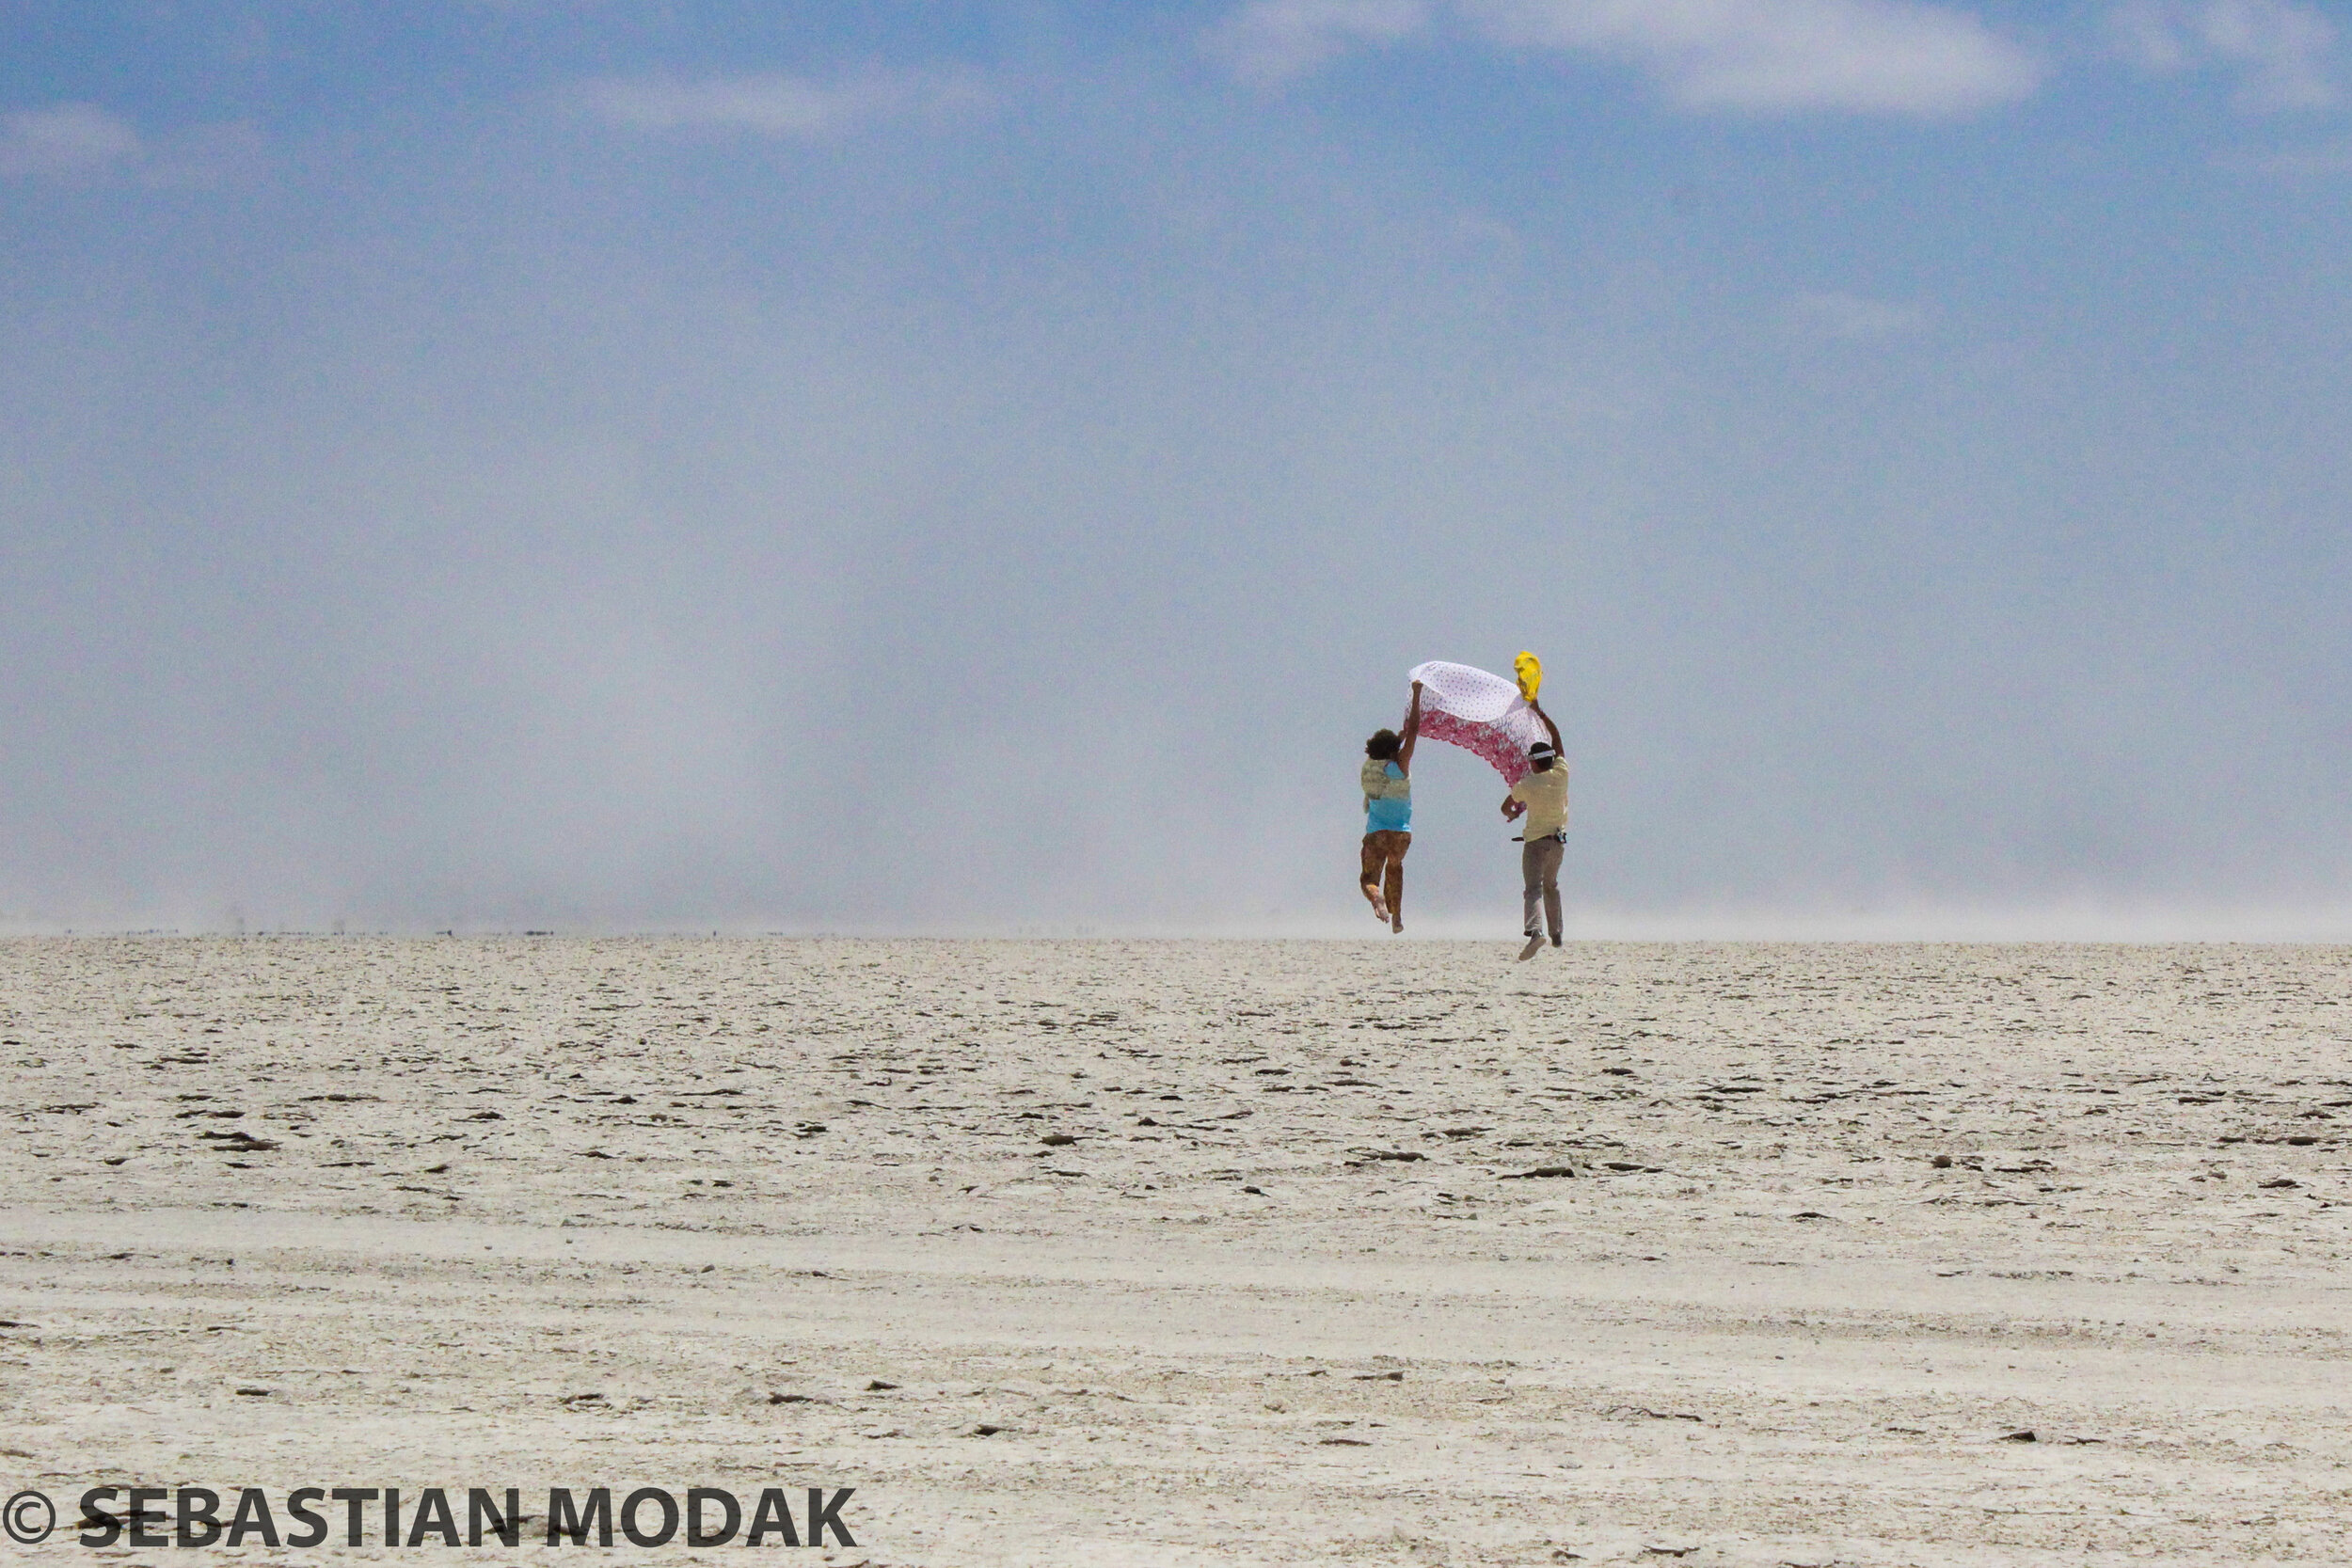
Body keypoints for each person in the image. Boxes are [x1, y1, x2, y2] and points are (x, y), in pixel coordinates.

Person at [1498, 697, 1566, 960]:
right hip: (1558, 843)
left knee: (1533, 889)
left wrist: (1514, 814)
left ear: (1534, 763)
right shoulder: (1562, 773)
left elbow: (1506, 807)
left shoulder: (1528, 784)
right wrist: (1541, 713)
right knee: (1551, 885)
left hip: (1536, 842)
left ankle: (1536, 932)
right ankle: (1557, 932)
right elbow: (1557, 740)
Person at [1359, 681, 1422, 933]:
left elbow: (1386, 748)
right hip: (1401, 835)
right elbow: (1415, 731)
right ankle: (1397, 918)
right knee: (1395, 870)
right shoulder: (1401, 766)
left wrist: (1399, 736)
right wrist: (1417, 695)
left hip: (1377, 834)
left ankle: (1377, 899)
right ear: (1395, 750)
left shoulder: (1369, 767)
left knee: (1369, 879)